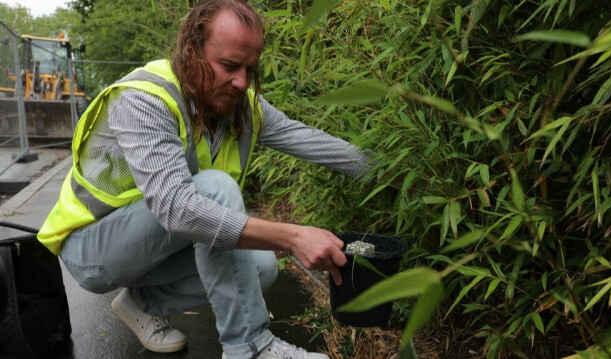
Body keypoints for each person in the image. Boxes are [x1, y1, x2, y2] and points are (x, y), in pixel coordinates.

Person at [37, 0, 371, 358]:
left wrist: (387, 173)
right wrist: (292, 237)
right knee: (214, 189)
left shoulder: (243, 107)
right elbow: (179, 210)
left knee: (261, 267)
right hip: (94, 249)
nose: (242, 81)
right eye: (229, 65)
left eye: (250, 68)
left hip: (154, 248)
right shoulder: (145, 99)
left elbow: (307, 139)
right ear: (192, 51)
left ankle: (143, 304)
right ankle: (249, 349)